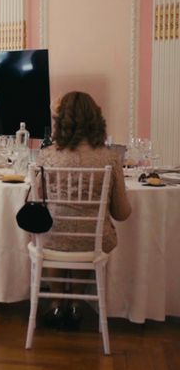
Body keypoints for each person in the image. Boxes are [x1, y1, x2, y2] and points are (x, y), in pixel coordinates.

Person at [36, 91, 131, 330]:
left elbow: (36, 202)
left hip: (53, 238)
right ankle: (77, 304)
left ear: (60, 121)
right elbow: (122, 212)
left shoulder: (46, 156)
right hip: (94, 240)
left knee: (54, 232)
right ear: (96, 119)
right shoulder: (111, 158)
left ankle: (56, 303)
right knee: (88, 236)